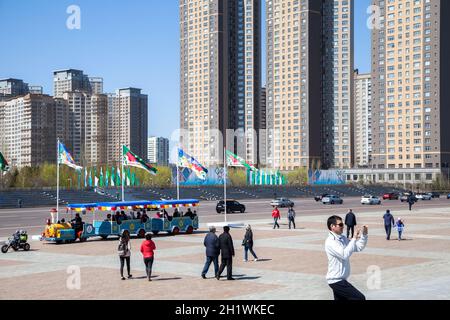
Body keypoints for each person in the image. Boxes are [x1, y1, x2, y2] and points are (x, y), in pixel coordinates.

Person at [325, 215, 368, 300]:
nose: (343, 226)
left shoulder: (342, 238)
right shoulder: (330, 242)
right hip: (336, 281)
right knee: (360, 298)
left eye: (343, 224)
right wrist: (354, 238)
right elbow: (344, 255)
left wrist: (364, 235)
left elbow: (358, 247)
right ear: (332, 227)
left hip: (341, 279)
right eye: (340, 225)